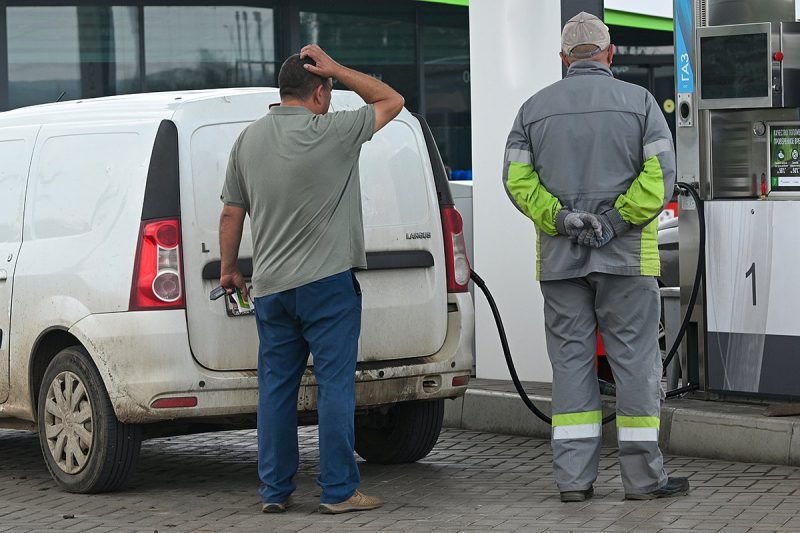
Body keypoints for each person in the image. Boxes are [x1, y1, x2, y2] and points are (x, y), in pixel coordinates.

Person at [502, 12, 690, 502]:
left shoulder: (533, 109)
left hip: (561, 263)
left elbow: (518, 183)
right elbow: (659, 179)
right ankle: (644, 480)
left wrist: (560, 219)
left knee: (570, 367)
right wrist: (617, 221)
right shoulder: (641, 103)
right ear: (609, 54)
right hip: (627, 260)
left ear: (564, 59)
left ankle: (573, 482)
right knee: (635, 367)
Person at [218, 44, 404, 514]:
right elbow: (391, 101)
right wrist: (339, 67)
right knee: (335, 385)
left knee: (276, 390)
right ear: (320, 92)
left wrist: (228, 269)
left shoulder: (248, 140)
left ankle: (275, 493)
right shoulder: (333, 131)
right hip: (327, 286)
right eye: (329, 89)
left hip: (273, 289)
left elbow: (230, 214)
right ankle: (339, 492)